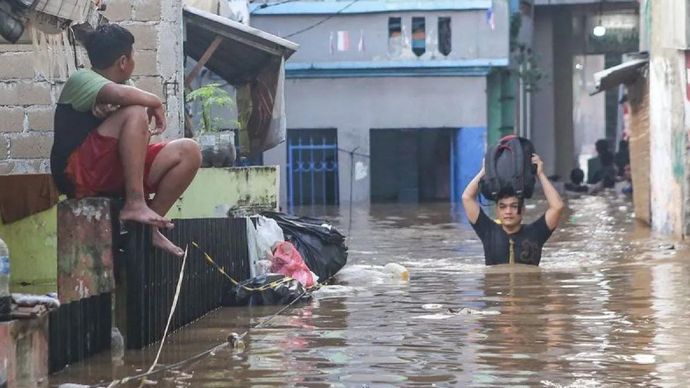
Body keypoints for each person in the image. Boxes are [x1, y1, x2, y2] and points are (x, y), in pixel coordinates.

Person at [50, 24, 202, 257]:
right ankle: (135, 203)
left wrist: (129, 109)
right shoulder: (82, 78)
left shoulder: (126, 88)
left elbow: (132, 119)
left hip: (113, 170)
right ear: (123, 61)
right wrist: (155, 102)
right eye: (133, 55)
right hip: (79, 175)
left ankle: (149, 226)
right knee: (136, 110)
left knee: (189, 151)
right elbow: (125, 100)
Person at [462, 154, 564, 266]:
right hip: (496, 284)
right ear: (497, 211)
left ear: (523, 210)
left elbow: (557, 206)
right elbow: (467, 198)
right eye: (503, 207)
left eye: (514, 206)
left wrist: (540, 174)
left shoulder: (536, 232)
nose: (508, 211)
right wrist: (484, 172)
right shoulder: (488, 231)